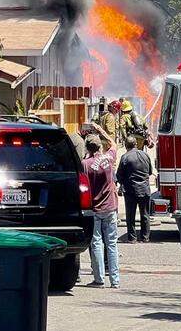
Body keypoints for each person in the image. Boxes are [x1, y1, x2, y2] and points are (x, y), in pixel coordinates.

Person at [81, 123, 119, 288]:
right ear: (100, 146)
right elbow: (114, 144)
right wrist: (101, 130)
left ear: (87, 148)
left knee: (96, 242)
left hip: (94, 208)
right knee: (112, 243)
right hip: (110, 206)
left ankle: (99, 278)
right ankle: (115, 280)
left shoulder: (85, 164)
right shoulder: (108, 158)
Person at [116, 135, 152, 243]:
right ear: (136, 144)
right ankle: (145, 237)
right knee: (145, 215)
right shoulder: (145, 155)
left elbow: (119, 175)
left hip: (130, 190)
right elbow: (150, 171)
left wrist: (121, 184)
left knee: (130, 215)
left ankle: (132, 238)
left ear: (126, 146)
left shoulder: (125, 157)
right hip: (144, 189)